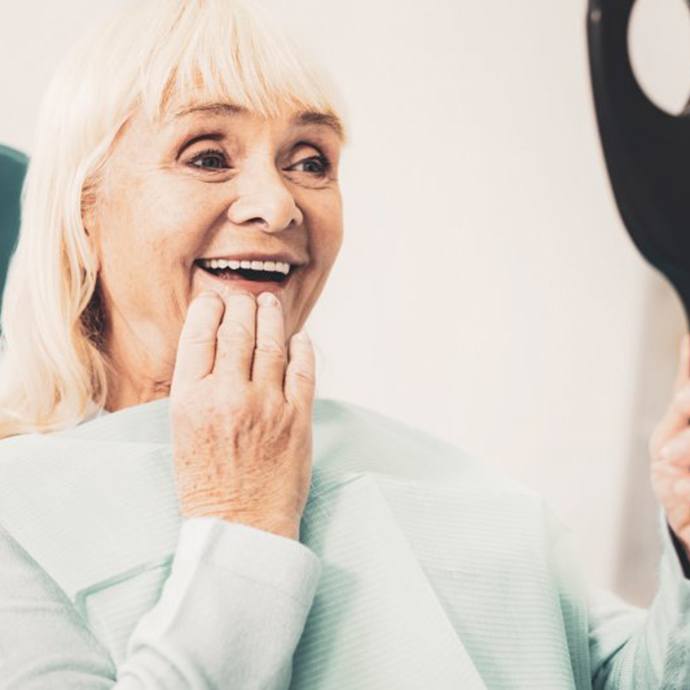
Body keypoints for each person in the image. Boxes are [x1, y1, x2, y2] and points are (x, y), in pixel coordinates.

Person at [0, 1, 689, 688]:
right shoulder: (18, 515)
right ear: (82, 210)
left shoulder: (456, 481)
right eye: (208, 156)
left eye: (310, 160)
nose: (277, 205)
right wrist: (243, 525)